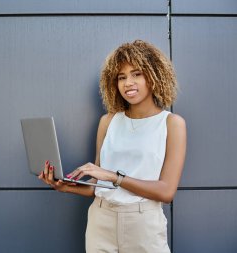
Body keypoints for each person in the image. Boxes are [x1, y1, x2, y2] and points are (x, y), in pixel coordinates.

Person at [38, 40, 186, 253]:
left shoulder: (172, 123)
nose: (128, 83)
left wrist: (114, 176)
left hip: (143, 224)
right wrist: (65, 186)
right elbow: (98, 185)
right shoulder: (108, 121)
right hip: (101, 220)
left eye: (137, 74)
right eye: (122, 77)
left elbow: (166, 191)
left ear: (154, 76)